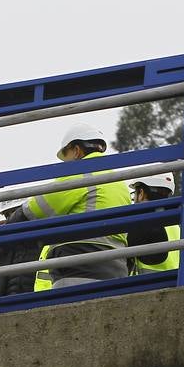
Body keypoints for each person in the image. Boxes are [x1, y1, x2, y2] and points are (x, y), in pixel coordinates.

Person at [20, 123, 131, 290]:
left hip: (80, 269)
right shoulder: (119, 182)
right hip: (117, 271)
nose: (66, 165)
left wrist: (7, 224)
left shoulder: (81, 174)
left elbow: (32, 210)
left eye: (67, 156)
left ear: (77, 150)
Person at [126, 172, 180, 275]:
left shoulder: (139, 223)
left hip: (144, 286)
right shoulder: (175, 226)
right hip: (174, 284)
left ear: (141, 193)